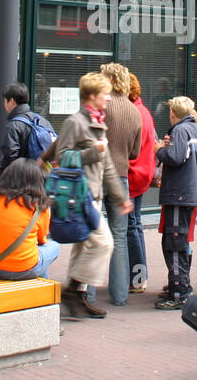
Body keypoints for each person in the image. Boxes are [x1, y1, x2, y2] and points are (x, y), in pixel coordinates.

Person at [41, 72, 132, 319]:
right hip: (80, 197)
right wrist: (93, 151)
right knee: (104, 243)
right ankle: (71, 290)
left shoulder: (99, 122)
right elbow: (64, 158)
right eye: (105, 94)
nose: (109, 99)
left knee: (84, 247)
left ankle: (77, 296)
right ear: (91, 96)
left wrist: (121, 196)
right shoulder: (75, 122)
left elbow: (108, 166)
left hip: (93, 194)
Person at [153, 96, 197, 309]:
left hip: (178, 194)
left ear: (173, 113)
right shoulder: (196, 131)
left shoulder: (180, 130)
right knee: (180, 242)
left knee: (174, 244)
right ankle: (181, 285)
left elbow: (174, 157)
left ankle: (178, 292)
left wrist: (159, 149)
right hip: (188, 194)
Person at [98, 62, 142, 307]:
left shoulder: (103, 105)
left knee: (92, 235)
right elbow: (135, 152)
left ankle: (88, 294)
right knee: (120, 237)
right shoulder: (135, 111)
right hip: (121, 177)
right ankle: (120, 296)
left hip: (97, 173)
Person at [0, 158, 60, 280]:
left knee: (34, 255)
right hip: (22, 269)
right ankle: (46, 296)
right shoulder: (39, 205)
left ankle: (44, 295)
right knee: (54, 246)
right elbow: (42, 239)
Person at [126, 72, 157, 294]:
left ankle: (137, 278)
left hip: (132, 175)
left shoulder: (133, 113)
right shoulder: (143, 111)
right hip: (141, 174)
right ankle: (139, 276)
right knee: (135, 226)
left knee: (131, 228)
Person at [0, 81, 53, 170]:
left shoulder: (13, 126)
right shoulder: (43, 121)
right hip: (42, 177)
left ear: (11, 101)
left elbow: (10, 157)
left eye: (5, 101)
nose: (4, 105)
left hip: (22, 179)